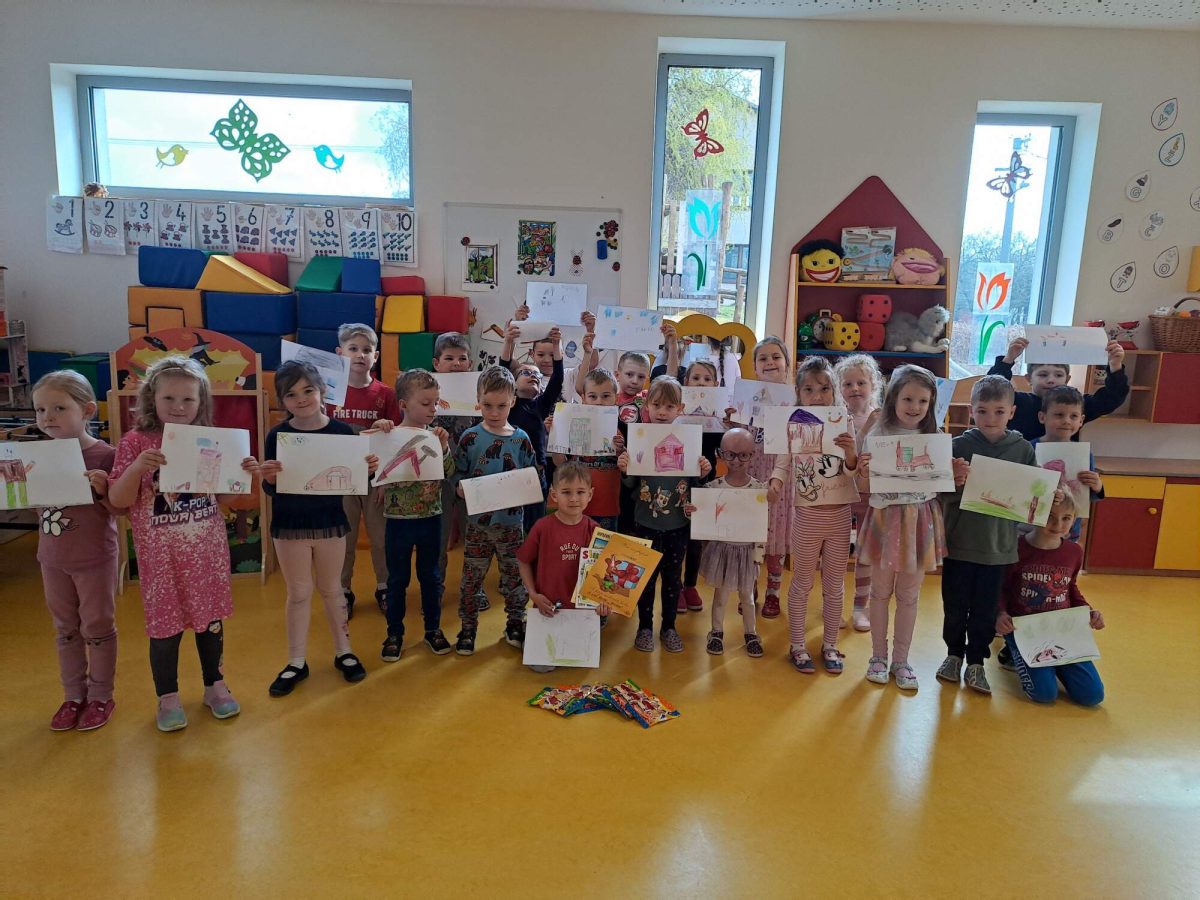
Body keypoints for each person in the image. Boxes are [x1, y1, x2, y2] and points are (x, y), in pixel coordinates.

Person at [108, 357, 259, 731]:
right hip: (161, 560)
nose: (178, 407)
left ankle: (215, 686)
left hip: (206, 552)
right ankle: (168, 697)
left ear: (201, 401)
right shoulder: (134, 442)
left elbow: (221, 500)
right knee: (165, 629)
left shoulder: (209, 439)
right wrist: (138, 467)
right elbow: (118, 501)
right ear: (151, 399)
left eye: (188, 399)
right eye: (169, 398)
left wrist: (241, 475)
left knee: (210, 623)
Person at [260, 361, 377, 696]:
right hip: (290, 526)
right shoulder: (278, 435)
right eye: (291, 394)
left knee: (332, 590)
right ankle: (296, 661)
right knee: (298, 593)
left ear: (322, 391)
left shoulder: (342, 433)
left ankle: (344, 652)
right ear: (282, 400)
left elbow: (356, 482)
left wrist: (368, 470)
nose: (301, 399)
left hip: (329, 523)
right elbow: (271, 488)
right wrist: (270, 479)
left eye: (308, 390)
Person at [32, 371, 123, 731]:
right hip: (52, 558)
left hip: (94, 558)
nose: (47, 418)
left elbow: (120, 509)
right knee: (65, 628)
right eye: (40, 410)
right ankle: (73, 696)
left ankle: (100, 695)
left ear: (86, 410)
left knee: (97, 625)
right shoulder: (37, 455)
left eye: (59, 408)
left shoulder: (105, 455)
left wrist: (103, 490)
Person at [938, 375, 1038, 695]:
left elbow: (1031, 500)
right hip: (959, 545)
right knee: (954, 606)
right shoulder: (958, 446)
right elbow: (939, 494)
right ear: (971, 411)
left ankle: (976, 662)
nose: (990, 419)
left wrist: (1044, 500)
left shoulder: (1023, 450)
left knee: (985, 610)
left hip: (998, 549)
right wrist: (955, 482)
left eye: (999, 411)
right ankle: (953, 654)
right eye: (982, 411)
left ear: (1012, 412)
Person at [855, 366, 948, 691]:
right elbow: (864, 486)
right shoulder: (878, 434)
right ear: (894, 398)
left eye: (923, 400)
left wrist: (955, 472)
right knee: (880, 592)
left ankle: (901, 661)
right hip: (885, 519)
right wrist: (863, 471)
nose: (915, 407)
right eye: (908, 399)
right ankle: (878, 657)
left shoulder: (935, 436)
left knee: (909, 595)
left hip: (919, 521)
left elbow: (940, 484)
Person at [769, 356, 859, 675]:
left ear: (834, 391)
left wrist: (851, 453)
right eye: (808, 389)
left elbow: (851, 471)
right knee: (802, 582)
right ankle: (797, 645)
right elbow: (783, 461)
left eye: (824, 389)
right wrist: (776, 482)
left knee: (835, 584)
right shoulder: (793, 422)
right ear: (799, 393)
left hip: (839, 514)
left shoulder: (844, 421)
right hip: (807, 516)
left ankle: (830, 644)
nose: (817, 396)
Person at [617, 376, 713, 653]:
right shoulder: (639, 438)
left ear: (680, 409)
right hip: (644, 522)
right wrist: (624, 469)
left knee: (673, 581)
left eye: (669, 406)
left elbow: (695, 485)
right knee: (644, 580)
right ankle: (644, 628)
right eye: (657, 405)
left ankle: (669, 627)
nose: (662, 411)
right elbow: (630, 485)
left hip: (677, 525)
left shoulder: (689, 440)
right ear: (647, 405)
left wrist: (703, 473)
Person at [452, 366, 537, 656]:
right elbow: (457, 473)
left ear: (513, 401)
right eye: (487, 405)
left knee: (514, 578)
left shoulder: (521, 439)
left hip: (512, 526)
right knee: (471, 580)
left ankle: (515, 624)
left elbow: (532, 476)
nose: (494, 412)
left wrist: (531, 485)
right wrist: (459, 488)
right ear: (478, 401)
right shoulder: (470, 437)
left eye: (501, 405)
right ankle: (468, 628)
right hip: (478, 525)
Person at [995, 493, 1105, 706]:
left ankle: (1056, 666)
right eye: (1050, 517)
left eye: (1066, 518)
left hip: (1062, 631)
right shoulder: (1015, 549)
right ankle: (1015, 653)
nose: (1058, 525)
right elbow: (1001, 588)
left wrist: (1088, 612)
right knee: (1044, 694)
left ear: (1074, 520)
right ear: (1034, 516)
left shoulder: (1073, 552)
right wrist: (1000, 614)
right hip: (1024, 631)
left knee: (1092, 696)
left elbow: (1070, 587)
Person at [379, 369, 455, 661]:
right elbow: (371, 468)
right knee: (397, 580)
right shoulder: (388, 434)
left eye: (435, 402)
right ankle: (394, 634)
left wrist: (444, 448)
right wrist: (379, 432)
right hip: (398, 521)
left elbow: (449, 472)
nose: (433, 409)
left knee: (431, 577)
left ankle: (433, 629)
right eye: (425, 403)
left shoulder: (435, 436)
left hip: (431, 518)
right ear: (403, 405)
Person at [328, 323, 401, 619]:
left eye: (367, 350)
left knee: (381, 537)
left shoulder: (386, 394)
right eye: (353, 349)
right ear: (340, 353)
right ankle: (342, 591)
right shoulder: (328, 392)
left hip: (375, 479)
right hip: (340, 478)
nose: (360, 355)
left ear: (376, 356)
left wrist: (386, 479)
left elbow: (395, 441)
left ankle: (385, 587)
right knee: (343, 539)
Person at [516, 461, 609, 673]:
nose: (574, 498)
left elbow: (605, 575)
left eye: (580, 492)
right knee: (541, 667)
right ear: (554, 494)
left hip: (583, 614)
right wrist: (533, 595)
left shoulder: (596, 531)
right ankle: (529, 628)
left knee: (581, 664)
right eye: (566, 492)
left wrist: (604, 602)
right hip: (548, 609)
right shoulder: (542, 527)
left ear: (590, 495)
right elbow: (523, 561)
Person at [696, 428, 765, 658]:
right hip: (722, 551)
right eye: (730, 454)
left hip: (747, 552)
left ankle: (751, 633)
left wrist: (759, 555)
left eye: (743, 455)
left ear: (752, 455)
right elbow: (702, 516)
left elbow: (761, 525)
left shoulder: (758, 489)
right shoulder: (713, 488)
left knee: (748, 597)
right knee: (721, 596)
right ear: (720, 454)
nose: (736, 460)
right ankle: (716, 631)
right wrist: (694, 511)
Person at [430, 332, 487, 611]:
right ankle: (435, 588)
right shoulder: (428, 393)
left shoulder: (478, 393)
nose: (456, 363)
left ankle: (474, 588)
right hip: (438, 476)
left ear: (470, 363)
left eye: (462, 359)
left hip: (471, 475)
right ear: (436, 363)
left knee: (474, 535)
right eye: (449, 358)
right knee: (438, 537)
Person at [987, 336, 1129, 441]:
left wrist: (1115, 365)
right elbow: (991, 390)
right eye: (1043, 375)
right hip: (1020, 466)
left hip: (1062, 468)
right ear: (1029, 378)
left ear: (1067, 379)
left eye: (1059, 375)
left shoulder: (1076, 404)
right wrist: (1008, 359)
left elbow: (1112, 398)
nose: (1051, 380)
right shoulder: (1017, 402)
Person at [742, 336, 793, 619]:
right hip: (752, 474)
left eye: (776, 357)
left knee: (777, 537)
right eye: (763, 358)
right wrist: (732, 423)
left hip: (782, 478)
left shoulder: (796, 399)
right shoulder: (746, 399)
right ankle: (750, 588)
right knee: (751, 536)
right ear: (755, 367)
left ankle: (773, 591)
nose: (770, 362)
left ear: (787, 364)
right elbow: (741, 438)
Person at [834, 353, 884, 631]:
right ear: (839, 388)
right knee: (837, 554)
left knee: (866, 555)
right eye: (848, 384)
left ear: (873, 385)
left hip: (870, 495)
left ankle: (859, 608)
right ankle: (834, 606)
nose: (855, 389)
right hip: (840, 494)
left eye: (861, 383)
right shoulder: (836, 417)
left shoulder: (882, 417)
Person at [500, 322, 564, 534]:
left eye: (537, 375)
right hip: (510, 470)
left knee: (534, 523)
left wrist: (557, 346)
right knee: (511, 523)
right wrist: (508, 341)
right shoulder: (508, 404)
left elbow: (557, 379)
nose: (534, 375)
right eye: (526, 372)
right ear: (512, 383)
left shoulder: (540, 406)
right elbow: (503, 368)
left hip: (536, 473)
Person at [676, 358, 726, 616]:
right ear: (686, 382)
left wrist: (726, 425)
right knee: (677, 534)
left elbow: (721, 448)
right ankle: (675, 586)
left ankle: (690, 585)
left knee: (696, 537)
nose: (701, 383)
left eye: (707, 379)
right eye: (695, 378)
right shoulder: (678, 410)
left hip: (704, 480)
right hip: (677, 479)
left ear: (716, 385)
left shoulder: (717, 415)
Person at [550, 368, 624, 531]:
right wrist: (556, 436)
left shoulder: (619, 431)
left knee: (602, 546)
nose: (599, 402)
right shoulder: (573, 425)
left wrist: (621, 451)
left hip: (606, 507)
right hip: (575, 506)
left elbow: (626, 469)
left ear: (616, 398)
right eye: (593, 396)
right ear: (583, 398)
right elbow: (560, 463)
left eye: (606, 396)